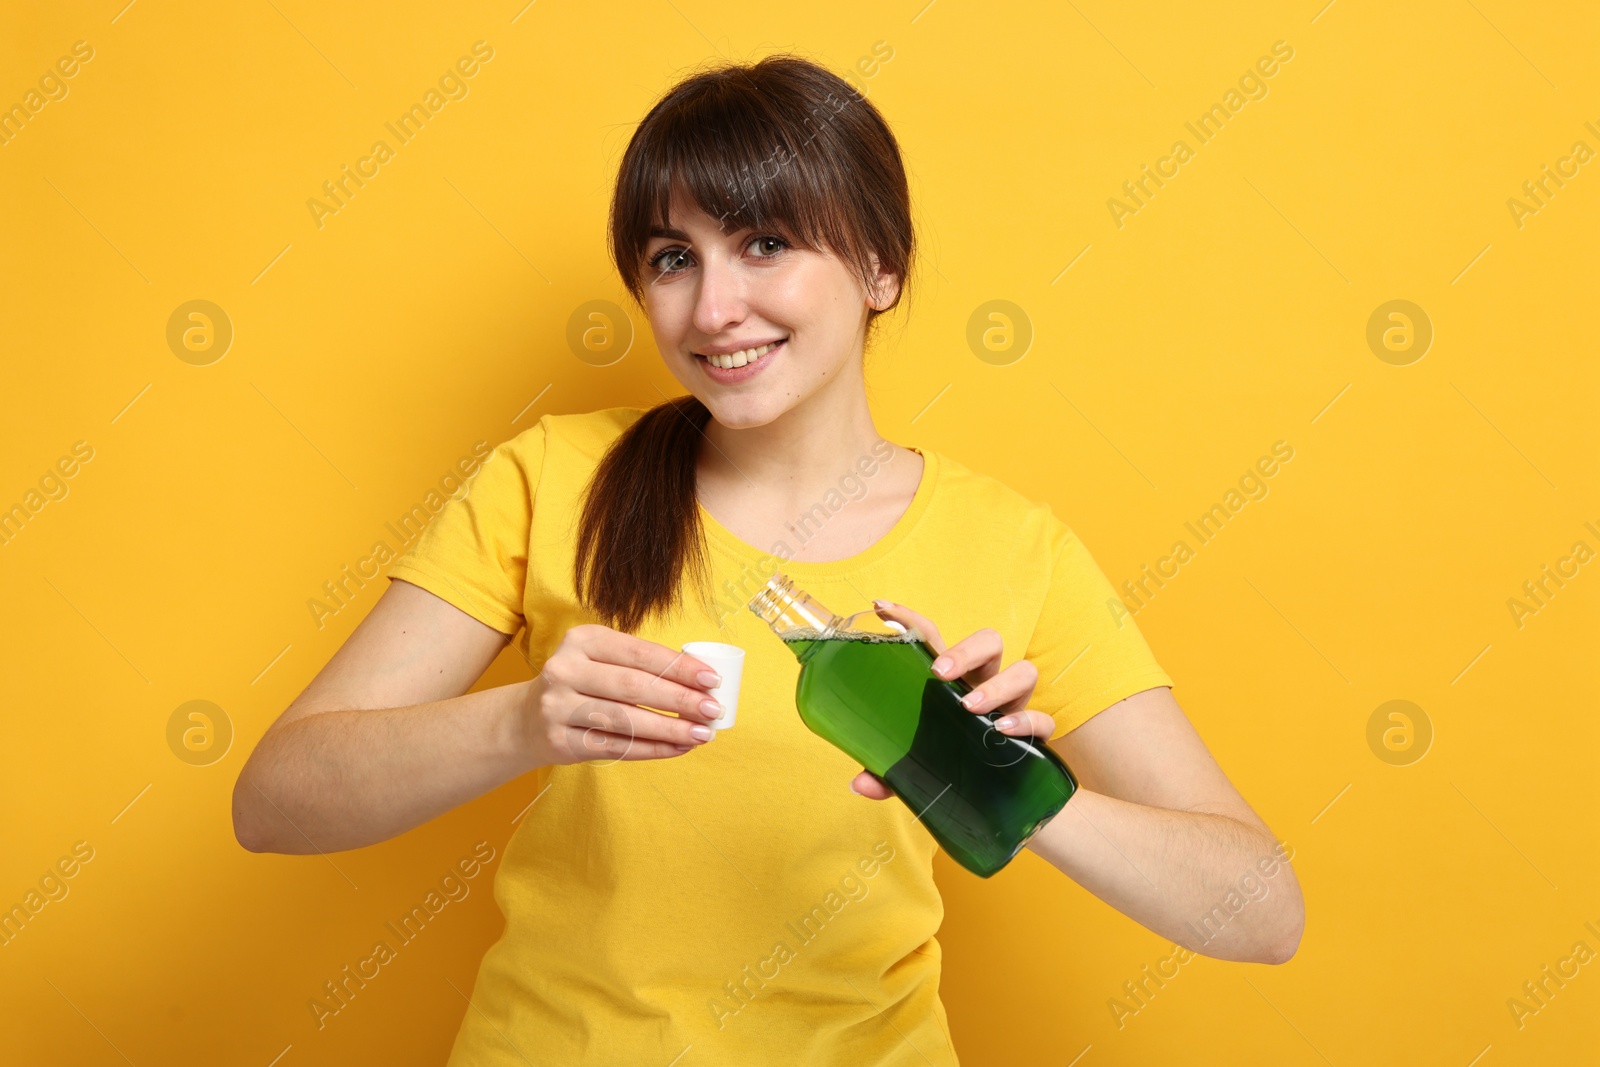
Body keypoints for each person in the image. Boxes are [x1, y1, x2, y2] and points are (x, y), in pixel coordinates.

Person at [233, 53, 1303, 1064]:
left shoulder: (1014, 543)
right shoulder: (550, 476)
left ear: (880, 267)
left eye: (764, 244)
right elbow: (274, 800)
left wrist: (997, 782)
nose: (712, 309)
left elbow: (1260, 911)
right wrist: (521, 721)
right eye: (671, 258)